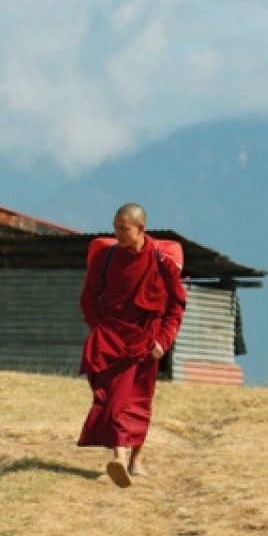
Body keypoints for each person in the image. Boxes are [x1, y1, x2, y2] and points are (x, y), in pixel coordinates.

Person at [77, 203, 187, 487]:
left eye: (123, 229)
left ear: (140, 229)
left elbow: (176, 305)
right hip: (112, 338)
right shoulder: (106, 257)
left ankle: (134, 459)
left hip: (146, 341)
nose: (118, 234)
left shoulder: (161, 263)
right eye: (115, 228)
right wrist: (98, 327)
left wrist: (164, 340)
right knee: (114, 400)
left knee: (138, 400)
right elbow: (89, 297)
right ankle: (120, 460)